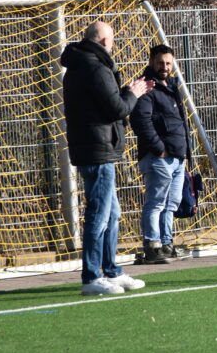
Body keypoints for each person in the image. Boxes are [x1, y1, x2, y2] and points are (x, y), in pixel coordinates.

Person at [60, 20, 153, 296]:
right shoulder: (95, 68)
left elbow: (103, 103)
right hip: (97, 149)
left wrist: (125, 93)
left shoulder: (80, 66)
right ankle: (92, 276)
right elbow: (117, 109)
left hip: (93, 147)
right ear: (104, 42)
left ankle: (111, 270)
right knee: (99, 214)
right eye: (112, 40)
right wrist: (133, 93)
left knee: (112, 213)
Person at [129, 43, 192, 263]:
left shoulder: (172, 86)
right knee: (156, 203)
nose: (164, 67)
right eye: (160, 63)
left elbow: (181, 123)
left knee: (171, 204)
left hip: (177, 158)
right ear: (151, 62)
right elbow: (140, 121)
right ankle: (152, 246)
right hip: (159, 158)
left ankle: (166, 244)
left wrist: (184, 154)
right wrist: (159, 149)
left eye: (168, 63)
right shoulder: (146, 87)